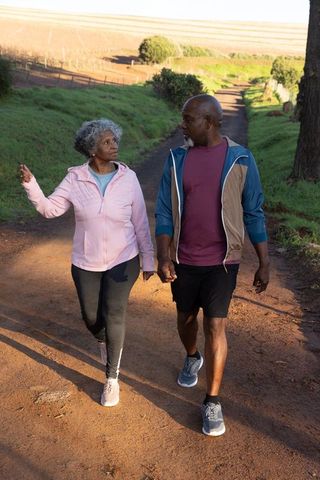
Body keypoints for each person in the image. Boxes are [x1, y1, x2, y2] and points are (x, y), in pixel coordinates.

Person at [155, 94, 270, 436]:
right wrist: (164, 255)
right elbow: (163, 210)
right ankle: (191, 356)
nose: (182, 124)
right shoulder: (176, 159)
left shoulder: (240, 159)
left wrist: (264, 261)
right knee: (186, 318)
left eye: (188, 119)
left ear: (210, 122)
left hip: (223, 261)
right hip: (184, 259)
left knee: (215, 326)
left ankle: (213, 401)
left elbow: (254, 210)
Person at [19, 118, 154, 407]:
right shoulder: (75, 179)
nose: (114, 145)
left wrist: (149, 258)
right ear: (92, 149)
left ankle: (112, 378)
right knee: (92, 318)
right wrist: (32, 186)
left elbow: (140, 221)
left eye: (114, 140)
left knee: (115, 312)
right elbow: (49, 209)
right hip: (86, 262)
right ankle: (104, 340)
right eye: (107, 142)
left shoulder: (127, 178)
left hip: (124, 259)